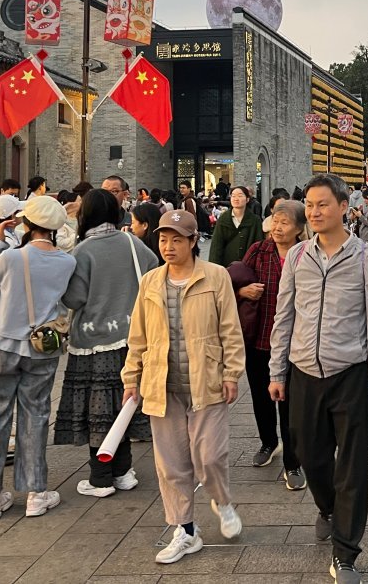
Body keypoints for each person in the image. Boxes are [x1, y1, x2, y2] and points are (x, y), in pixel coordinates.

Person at [268, 174, 368, 584]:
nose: (314, 211)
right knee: (310, 455)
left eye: (322, 204)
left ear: (344, 207)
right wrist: (278, 371)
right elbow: (284, 316)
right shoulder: (298, 257)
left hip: (351, 376)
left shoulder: (367, 259)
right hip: (304, 374)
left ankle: (345, 553)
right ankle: (327, 507)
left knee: (352, 467)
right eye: (309, 205)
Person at [122, 208, 245, 564]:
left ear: (193, 242)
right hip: (162, 385)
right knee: (172, 464)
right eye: (163, 239)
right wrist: (131, 377)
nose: (168, 247)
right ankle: (186, 530)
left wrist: (231, 373)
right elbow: (138, 336)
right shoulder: (150, 281)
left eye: (177, 240)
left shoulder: (215, 276)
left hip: (207, 381)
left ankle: (222, 501)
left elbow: (230, 329)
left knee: (210, 456)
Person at [0, 196, 76, 521]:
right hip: (41, 347)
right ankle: (35, 493)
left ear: (26, 224)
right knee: (36, 415)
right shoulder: (67, 262)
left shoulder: (13, 256)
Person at [56, 189, 161, 499]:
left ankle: (101, 478)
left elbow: (74, 298)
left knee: (98, 410)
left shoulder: (82, 251)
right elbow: (153, 271)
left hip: (93, 341)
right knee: (125, 406)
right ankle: (123, 471)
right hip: (132, 338)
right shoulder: (133, 243)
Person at [238, 200, 308, 490]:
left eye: (285, 223)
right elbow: (236, 281)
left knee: (291, 405)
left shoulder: (307, 254)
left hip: (295, 343)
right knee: (260, 396)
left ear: (299, 228)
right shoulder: (258, 250)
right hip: (259, 337)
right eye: (275, 221)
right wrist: (243, 291)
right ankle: (268, 442)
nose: (277, 228)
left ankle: (293, 462)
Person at [208, 185, 263, 266]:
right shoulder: (223, 219)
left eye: (240, 196)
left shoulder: (255, 220)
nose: (236, 199)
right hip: (227, 266)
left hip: (248, 266)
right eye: (233, 196)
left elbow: (259, 244)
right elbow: (216, 246)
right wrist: (215, 268)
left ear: (247, 199)